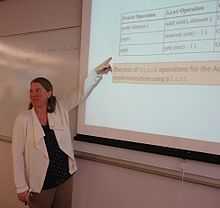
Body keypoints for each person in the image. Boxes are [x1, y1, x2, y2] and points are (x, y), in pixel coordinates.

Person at [12, 58, 112, 208]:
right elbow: (17, 155)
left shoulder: (60, 107)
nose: (33, 94)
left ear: (49, 92)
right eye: (31, 91)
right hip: (41, 183)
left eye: (38, 90)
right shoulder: (23, 119)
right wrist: (21, 187)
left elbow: (80, 93)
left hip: (64, 177)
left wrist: (95, 74)